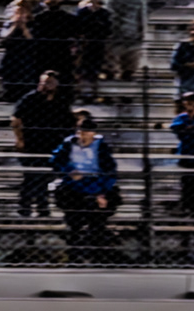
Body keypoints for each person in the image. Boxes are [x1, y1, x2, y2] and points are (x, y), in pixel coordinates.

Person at [51, 115, 121, 257]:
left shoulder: (101, 147)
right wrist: (70, 170)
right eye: (80, 133)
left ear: (93, 134)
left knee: (100, 210)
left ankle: (95, 244)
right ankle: (76, 243)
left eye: (86, 133)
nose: (82, 137)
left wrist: (100, 192)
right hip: (74, 184)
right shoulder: (69, 144)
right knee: (72, 205)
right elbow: (56, 160)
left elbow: (109, 172)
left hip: (96, 182)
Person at [11, 69, 73, 218]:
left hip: (52, 143)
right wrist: (20, 139)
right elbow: (16, 119)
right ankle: (25, 206)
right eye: (43, 82)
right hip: (32, 142)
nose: (44, 85)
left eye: (49, 82)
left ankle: (42, 206)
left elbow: (67, 121)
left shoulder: (61, 100)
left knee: (45, 176)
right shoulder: (30, 98)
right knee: (31, 176)